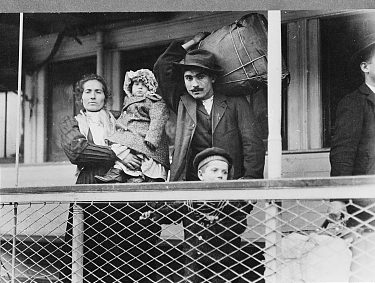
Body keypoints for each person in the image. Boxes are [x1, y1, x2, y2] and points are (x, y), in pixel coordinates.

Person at [59, 73, 161, 282]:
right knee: (87, 251)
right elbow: (78, 151)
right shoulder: (72, 122)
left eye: (99, 91)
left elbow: (144, 137)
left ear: (106, 96)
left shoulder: (121, 117)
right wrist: (118, 153)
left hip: (120, 189)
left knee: (122, 252)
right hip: (89, 189)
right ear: (80, 96)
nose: (93, 96)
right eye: (88, 91)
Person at [153, 32, 265, 182]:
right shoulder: (182, 102)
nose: (194, 85)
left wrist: (251, 178)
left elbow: (252, 143)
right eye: (189, 78)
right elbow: (162, 66)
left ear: (212, 78)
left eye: (200, 77)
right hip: (191, 186)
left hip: (229, 183)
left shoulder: (235, 102)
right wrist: (192, 41)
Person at [158, 147, 253, 282]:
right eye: (214, 170)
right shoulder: (190, 199)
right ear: (200, 175)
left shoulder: (230, 201)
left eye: (224, 172)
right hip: (194, 259)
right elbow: (172, 213)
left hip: (223, 261)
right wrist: (154, 215)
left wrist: (218, 223)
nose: (220, 175)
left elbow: (239, 224)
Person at [329, 33, 375, 281]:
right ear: (365, 67)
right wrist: (338, 198)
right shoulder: (354, 102)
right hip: (367, 203)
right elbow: (343, 153)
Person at [95, 68, 170, 183]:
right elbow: (123, 118)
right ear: (130, 87)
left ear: (150, 88)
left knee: (148, 159)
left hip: (145, 134)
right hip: (132, 133)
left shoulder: (153, 101)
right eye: (136, 84)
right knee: (118, 145)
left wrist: (152, 138)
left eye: (143, 85)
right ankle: (120, 172)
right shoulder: (128, 101)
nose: (139, 87)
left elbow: (158, 119)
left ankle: (147, 178)